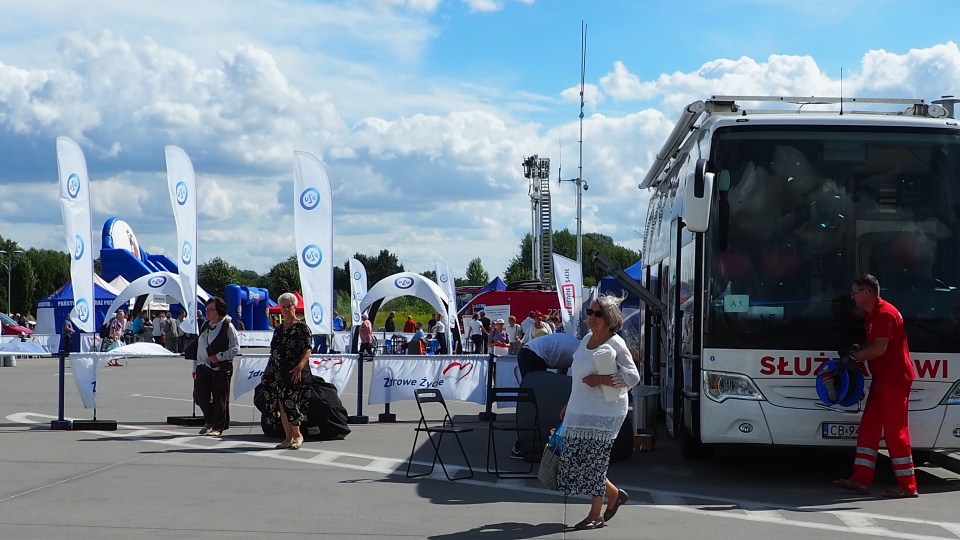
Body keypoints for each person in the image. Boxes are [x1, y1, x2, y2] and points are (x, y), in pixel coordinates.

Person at [558, 294, 640, 530]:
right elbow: (577, 379)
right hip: (580, 408)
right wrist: (569, 403)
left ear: (609, 318)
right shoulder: (585, 340)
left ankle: (595, 515)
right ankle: (614, 495)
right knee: (579, 460)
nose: (592, 318)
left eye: (598, 314)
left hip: (606, 412)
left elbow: (633, 377)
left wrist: (602, 379)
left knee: (596, 462)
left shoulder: (615, 343)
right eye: (590, 313)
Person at [834, 274, 919, 498]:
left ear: (867, 293)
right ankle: (860, 480)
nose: (852, 297)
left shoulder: (884, 314)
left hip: (894, 380)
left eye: (855, 292)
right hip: (883, 379)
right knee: (869, 428)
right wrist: (856, 350)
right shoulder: (872, 315)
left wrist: (854, 358)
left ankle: (908, 485)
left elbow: (879, 349)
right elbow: (873, 344)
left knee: (895, 432)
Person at [260, 292, 312, 449]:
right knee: (281, 404)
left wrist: (300, 366)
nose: (286, 309)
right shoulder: (279, 329)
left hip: (294, 370)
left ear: (295, 307)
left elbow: (308, 349)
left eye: (289, 306)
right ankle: (287, 437)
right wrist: (267, 370)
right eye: (283, 307)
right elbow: (273, 351)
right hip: (276, 370)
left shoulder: (302, 327)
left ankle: (297, 435)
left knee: (291, 402)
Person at [193, 297, 240, 437]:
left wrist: (219, 356)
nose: (207, 312)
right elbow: (199, 348)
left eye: (211, 309)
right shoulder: (205, 325)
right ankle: (209, 420)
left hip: (221, 367)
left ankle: (218, 426)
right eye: (207, 309)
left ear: (219, 312)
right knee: (200, 396)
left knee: (219, 397)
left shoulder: (227, 326)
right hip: (203, 365)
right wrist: (194, 367)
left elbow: (235, 348)